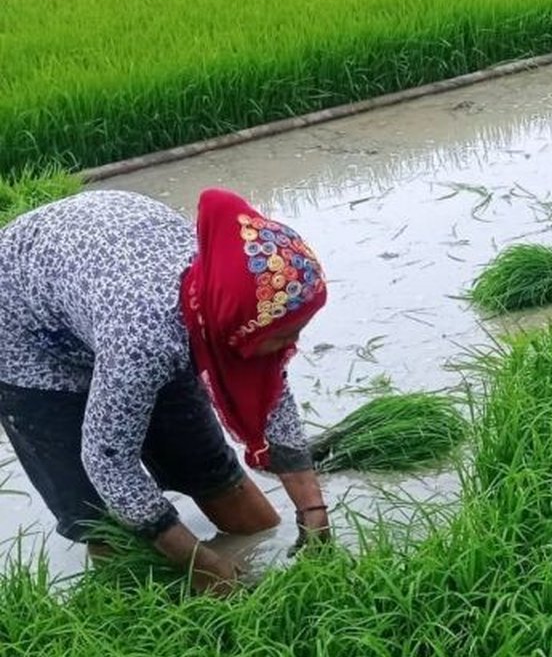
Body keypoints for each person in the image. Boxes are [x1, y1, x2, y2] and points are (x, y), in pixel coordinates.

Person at [0, 187, 332, 595]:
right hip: (24, 334)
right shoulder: (147, 338)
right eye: (284, 335)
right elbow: (108, 462)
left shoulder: (231, 298)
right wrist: (202, 563)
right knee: (101, 517)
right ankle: (131, 605)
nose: (291, 344)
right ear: (233, 318)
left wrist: (312, 509)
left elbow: (270, 392)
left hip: (108, 284)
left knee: (211, 471)